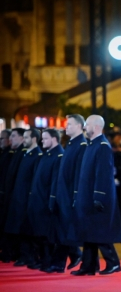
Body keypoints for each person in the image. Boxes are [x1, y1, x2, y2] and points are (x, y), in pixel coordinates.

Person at [70, 115, 121, 275]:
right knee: (90, 232)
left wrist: (98, 196)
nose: (85, 127)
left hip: (97, 198)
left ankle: (113, 262)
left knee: (100, 233)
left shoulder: (102, 146)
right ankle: (89, 266)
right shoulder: (93, 145)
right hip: (88, 197)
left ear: (97, 126)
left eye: (87, 125)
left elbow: (103, 174)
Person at [50, 114, 87, 272]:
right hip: (62, 193)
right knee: (62, 228)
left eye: (70, 124)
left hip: (70, 195)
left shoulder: (81, 145)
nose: (67, 127)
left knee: (66, 228)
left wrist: (75, 196)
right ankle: (74, 254)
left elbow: (79, 174)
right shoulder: (71, 144)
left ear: (79, 126)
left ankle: (59, 263)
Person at [5, 128, 43, 267]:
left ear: (33, 139)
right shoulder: (26, 154)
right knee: (19, 228)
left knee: (27, 229)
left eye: (26, 137)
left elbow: (34, 179)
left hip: (27, 197)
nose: (24, 140)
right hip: (18, 196)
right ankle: (24, 255)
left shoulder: (37, 155)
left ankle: (30, 257)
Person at [28, 129, 65, 272]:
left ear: (54, 139)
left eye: (45, 138)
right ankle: (44, 261)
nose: (42, 141)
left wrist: (51, 200)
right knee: (40, 235)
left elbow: (55, 181)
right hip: (38, 200)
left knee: (48, 236)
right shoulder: (46, 155)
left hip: (47, 202)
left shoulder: (59, 155)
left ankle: (51, 262)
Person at [0, 128, 26, 263]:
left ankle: (15, 252)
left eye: (14, 136)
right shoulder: (14, 153)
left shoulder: (21, 153)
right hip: (10, 194)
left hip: (17, 196)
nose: (11, 139)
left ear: (22, 138)